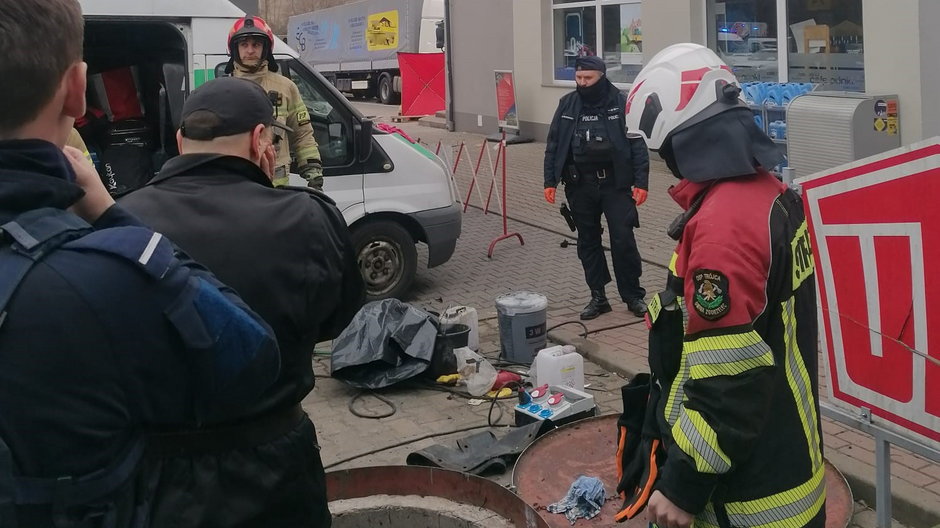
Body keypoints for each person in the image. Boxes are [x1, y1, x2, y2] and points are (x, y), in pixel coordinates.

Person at [0, 1, 280, 526]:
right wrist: (111, 217)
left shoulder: (279, 87)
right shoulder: (113, 276)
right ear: (78, 89)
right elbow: (253, 359)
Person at [119, 76, 365, 527]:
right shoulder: (309, 216)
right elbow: (337, 320)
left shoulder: (121, 221)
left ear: (179, 141)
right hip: (277, 468)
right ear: (261, 140)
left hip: (157, 480)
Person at [618, 43, 824, 528]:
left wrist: (683, 487)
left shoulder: (723, 226)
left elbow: (730, 380)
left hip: (747, 501)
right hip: (790, 464)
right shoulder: (770, 195)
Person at [543, 55, 650, 320]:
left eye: (588, 78)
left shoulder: (620, 102)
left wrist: (641, 182)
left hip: (615, 185)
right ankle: (598, 296)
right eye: (579, 78)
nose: (582, 83)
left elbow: (637, 144)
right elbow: (554, 144)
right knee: (588, 242)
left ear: (601, 76)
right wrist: (549, 181)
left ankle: (633, 295)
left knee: (623, 239)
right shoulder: (567, 104)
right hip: (580, 185)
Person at [224, 15, 324, 190]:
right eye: (244, 45)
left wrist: (314, 174)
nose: (250, 51)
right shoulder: (222, 90)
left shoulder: (286, 88)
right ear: (235, 49)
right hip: (236, 187)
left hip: (276, 189)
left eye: (256, 44)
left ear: (265, 49)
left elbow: (302, 134)